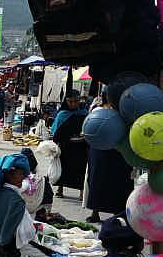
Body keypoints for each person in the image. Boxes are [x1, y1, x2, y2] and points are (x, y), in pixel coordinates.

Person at [86, 90, 133, 222]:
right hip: (101, 151)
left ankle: (116, 212)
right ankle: (97, 211)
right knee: (98, 179)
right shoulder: (98, 110)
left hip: (116, 151)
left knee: (114, 180)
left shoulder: (123, 111)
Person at [51, 90, 89, 199]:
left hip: (80, 147)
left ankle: (82, 192)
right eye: (70, 101)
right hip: (65, 146)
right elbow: (56, 131)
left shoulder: (84, 114)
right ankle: (60, 189)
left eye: (75, 101)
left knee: (81, 169)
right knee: (63, 167)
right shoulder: (62, 114)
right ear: (66, 101)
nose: (73, 104)